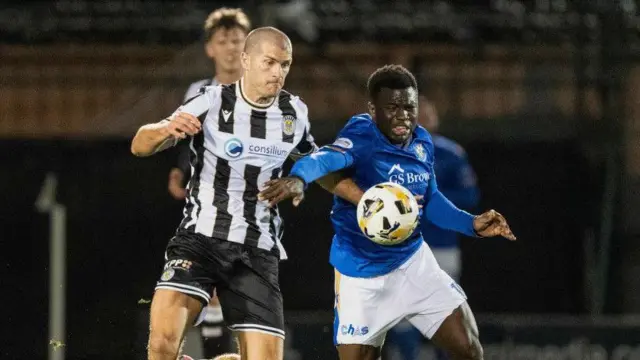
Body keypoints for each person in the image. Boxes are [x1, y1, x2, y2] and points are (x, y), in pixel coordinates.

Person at [259, 64, 516, 360]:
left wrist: (471, 223)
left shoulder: (422, 142)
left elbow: (429, 199)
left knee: (469, 348)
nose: (403, 116)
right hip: (362, 273)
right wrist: (298, 178)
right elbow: (323, 159)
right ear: (373, 109)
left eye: (409, 107)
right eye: (392, 108)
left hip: (412, 263)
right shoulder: (362, 134)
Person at [132, 27, 316, 360]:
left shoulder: (294, 113)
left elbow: (313, 160)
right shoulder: (211, 100)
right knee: (161, 347)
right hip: (200, 240)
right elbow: (139, 145)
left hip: (257, 251)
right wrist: (164, 130)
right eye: (270, 62)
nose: (278, 72)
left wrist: (300, 180)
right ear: (246, 60)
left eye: (285, 64)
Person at [166, 8, 251, 359]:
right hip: (207, 201)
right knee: (207, 282)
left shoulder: (262, 90)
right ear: (210, 49)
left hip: (250, 203)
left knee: (243, 291)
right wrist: (179, 170)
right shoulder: (199, 90)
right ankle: (214, 353)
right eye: (223, 41)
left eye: (237, 40)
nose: (231, 47)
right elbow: (189, 136)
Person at [385, 96, 480, 360]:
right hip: (403, 248)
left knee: (444, 316)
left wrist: (429, 198)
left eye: (428, 114)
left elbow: (470, 197)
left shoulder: (450, 153)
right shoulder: (391, 154)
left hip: (441, 247)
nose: (424, 119)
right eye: (418, 115)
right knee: (402, 316)